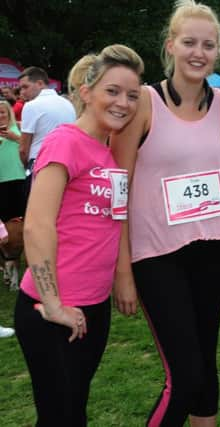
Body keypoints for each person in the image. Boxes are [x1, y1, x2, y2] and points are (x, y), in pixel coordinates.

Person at [110, 1, 220, 426]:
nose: (198, 52)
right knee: (184, 375)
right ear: (171, 46)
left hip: (211, 247)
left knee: (207, 367)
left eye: (208, 45)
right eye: (189, 43)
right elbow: (117, 190)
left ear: (217, 51)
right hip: (156, 255)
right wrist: (122, 268)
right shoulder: (144, 102)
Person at [13, 44, 143, 426]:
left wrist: (122, 278)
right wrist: (53, 304)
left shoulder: (108, 154)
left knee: (74, 412)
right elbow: (37, 225)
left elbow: (113, 222)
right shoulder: (64, 141)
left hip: (93, 307)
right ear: (86, 93)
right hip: (50, 310)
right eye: (113, 91)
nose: (123, 102)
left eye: (132, 95)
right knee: (61, 416)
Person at [18, 66, 76, 202]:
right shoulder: (68, 104)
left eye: (25, 87)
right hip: (67, 164)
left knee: (34, 212)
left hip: (39, 164)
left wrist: (27, 166)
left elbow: (23, 149)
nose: (22, 92)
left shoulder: (31, 106)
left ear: (39, 83)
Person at [0, 99, 26, 290]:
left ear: (9, 113)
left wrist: (14, 138)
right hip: (0, 184)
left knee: (17, 229)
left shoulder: (19, 132)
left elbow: (30, 150)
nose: (0, 116)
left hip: (17, 182)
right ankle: (6, 269)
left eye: (3, 112)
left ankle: (15, 270)